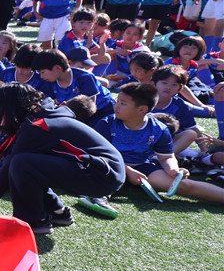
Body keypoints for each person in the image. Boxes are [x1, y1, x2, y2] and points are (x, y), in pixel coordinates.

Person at [0, 82, 124, 234]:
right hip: (101, 170)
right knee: (27, 163)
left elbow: (13, 161)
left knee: (21, 163)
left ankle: (34, 221)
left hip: (103, 174)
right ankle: (57, 212)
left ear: (10, 106)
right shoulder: (33, 121)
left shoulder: (38, 126)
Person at [94, 81, 224, 208]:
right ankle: (96, 197)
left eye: (122, 103)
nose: (116, 106)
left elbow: (166, 156)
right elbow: (104, 155)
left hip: (142, 167)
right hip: (111, 165)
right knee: (109, 179)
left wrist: (173, 170)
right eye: (118, 102)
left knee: (185, 186)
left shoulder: (159, 129)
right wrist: (128, 171)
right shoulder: (107, 123)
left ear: (142, 109)